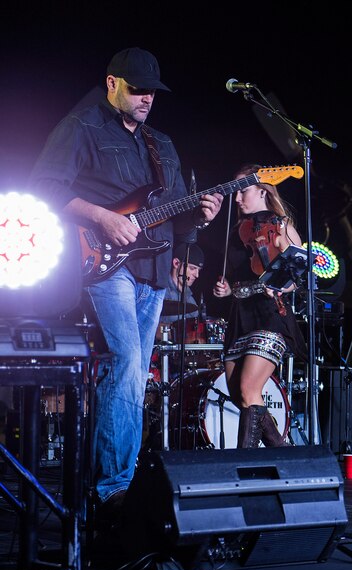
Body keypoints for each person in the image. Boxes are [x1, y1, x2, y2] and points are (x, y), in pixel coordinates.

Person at [28, 47, 223, 525]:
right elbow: (43, 188)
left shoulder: (163, 144)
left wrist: (198, 215)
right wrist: (100, 218)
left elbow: (176, 216)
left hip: (154, 271)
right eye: (136, 89)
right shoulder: (83, 127)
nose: (146, 99)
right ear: (111, 83)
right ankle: (110, 488)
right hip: (104, 263)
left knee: (135, 377)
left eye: (152, 92)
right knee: (127, 362)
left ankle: (125, 482)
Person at [212, 163, 306, 448]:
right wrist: (226, 288)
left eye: (242, 192)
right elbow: (236, 279)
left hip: (269, 315)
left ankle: (245, 464)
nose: (237, 199)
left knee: (248, 388)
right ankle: (284, 452)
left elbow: (295, 278)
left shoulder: (281, 226)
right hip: (239, 317)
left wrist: (279, 281)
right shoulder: (236, 231)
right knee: (239, 395)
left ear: (263, 191)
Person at [158, 243, 204, 326]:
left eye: (199, 270)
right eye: (192, 268)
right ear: (176, 263)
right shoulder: (158, 292)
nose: (197, 275)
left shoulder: (191, 302)